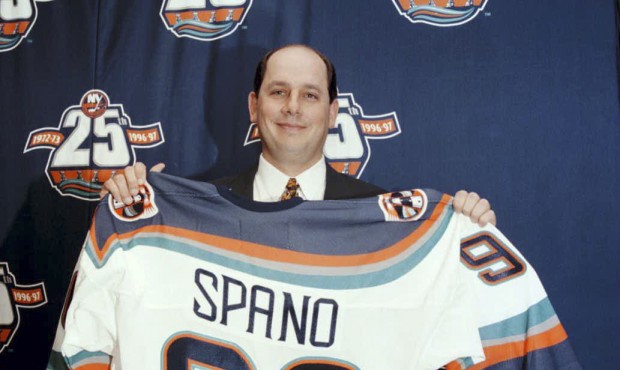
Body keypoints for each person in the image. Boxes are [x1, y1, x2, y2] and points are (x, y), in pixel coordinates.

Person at [102, 44, 496, 226]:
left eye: (310, 95)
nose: (293, 106)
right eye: (279, 92)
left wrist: (463, 228)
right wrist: (126, 212)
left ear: (332, 113)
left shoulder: (383, 215)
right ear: (254, 107)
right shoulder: (195, 211)